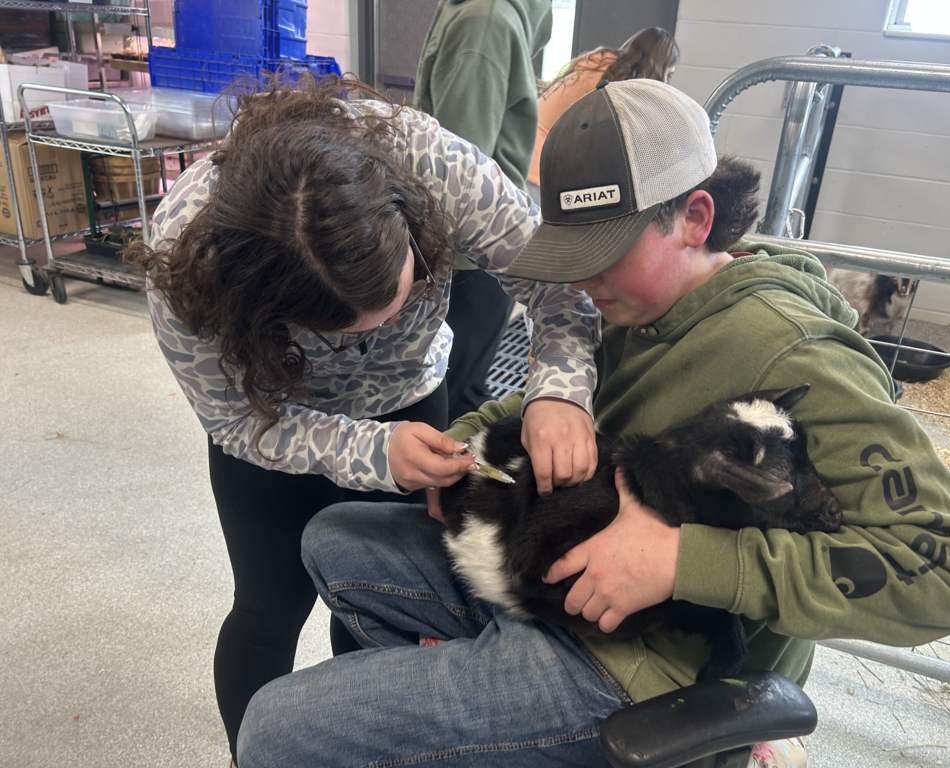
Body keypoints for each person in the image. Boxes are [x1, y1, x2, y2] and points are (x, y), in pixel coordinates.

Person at [235, 80, 950, 768]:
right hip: (567, 581)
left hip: (655, 656)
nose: (583, 279)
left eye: (606, 252)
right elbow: (579, 399)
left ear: (694, 218)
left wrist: (681, 561)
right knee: (333, 538)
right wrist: (471, 440)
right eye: (572, 252)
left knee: (273, 729)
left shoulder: (792, 349)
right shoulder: (636, 303)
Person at [127, 75, 600, 764]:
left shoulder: (435, 163)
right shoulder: (184, 255)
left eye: (395, 299)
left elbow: (560, 288)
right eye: (347, 328)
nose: (376, 330)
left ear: (407, 219)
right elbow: (233, 424)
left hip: (411, 395)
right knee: (268, 606)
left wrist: (558, 391)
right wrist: (373, 453)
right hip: (271, 417)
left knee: (377, 599)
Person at [413, 0, 554, 424]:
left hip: (464, 256)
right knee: (455, 389)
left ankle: (456, 491)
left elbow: (452, 172)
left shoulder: (484, 22)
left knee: (451, 397)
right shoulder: (477, 14)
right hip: (470, 250)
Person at [526, 25, 679, 201]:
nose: (665, 83)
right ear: (655, 69)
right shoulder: (612, 85)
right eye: (667, 75)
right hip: (537, 165)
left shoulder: (600, 66)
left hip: (526, 148)